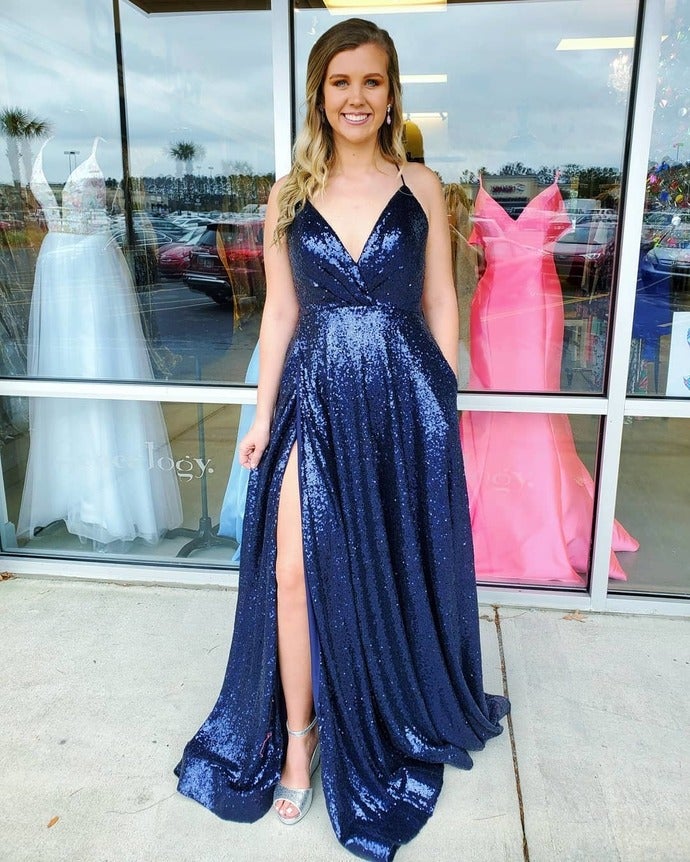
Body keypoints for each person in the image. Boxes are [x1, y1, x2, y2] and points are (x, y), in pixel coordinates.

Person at [175, 18, 509, 861]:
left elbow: (441, 300)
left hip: (403, 395)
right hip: (314, 395)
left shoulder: (421, 185)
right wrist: (261, 416)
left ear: (391, 94)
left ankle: (385, 696)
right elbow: (280, 314)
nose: (356, 97)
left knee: (386, 559)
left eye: (371, 81)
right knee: (291, 569)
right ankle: (300, 738)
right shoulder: (287, 193)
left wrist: (442, 401)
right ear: (319, 95)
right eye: (340, 81)